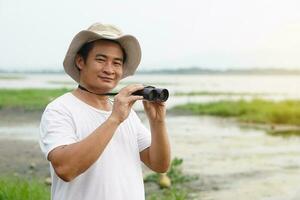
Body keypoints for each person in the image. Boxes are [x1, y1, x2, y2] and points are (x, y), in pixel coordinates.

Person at [39, 23, 171, 200]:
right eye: (101, 60)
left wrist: (158, 122)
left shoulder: (127, 114)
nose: (109, 69)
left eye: (117, 63)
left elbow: (160, 164)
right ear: (80, 61)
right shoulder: (60, 109)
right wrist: (114, 119)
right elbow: (66, 169)